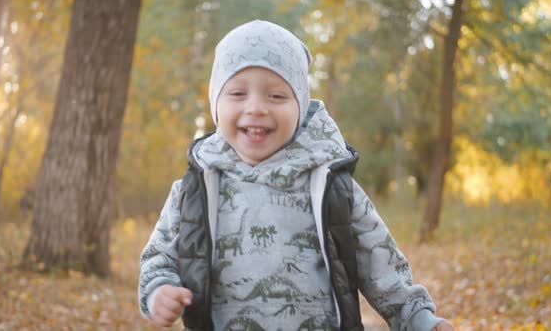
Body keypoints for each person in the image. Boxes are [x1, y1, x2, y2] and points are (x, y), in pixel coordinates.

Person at [138, 20, 454, 331]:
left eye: (276, 96)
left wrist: (419, 319)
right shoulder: (193, 190)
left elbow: (382, 265)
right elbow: (158, 259)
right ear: (215, 104)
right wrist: (159, 292)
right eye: (237, 94)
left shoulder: (329, 184)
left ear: (300, 106)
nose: (256, 107)